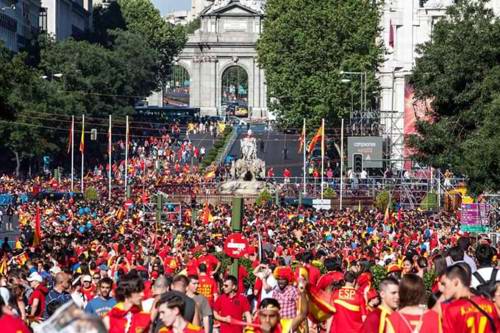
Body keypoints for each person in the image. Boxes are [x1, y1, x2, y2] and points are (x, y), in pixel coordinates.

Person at [439, 264, 500, 333]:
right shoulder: (488, 304)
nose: (441, 289)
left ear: (456, 282)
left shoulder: (452, 309)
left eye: (444, 284)